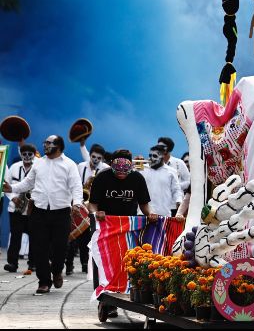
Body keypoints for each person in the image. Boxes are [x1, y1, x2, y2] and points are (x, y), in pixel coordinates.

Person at [2, 135, 84, 294]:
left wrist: (77, 204)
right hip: (38, 212)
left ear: (58, 146)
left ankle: (57, 271)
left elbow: (76, 187)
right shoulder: (38, 163)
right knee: (39, 248)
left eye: (48, 143)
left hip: (61, 212)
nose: (45, 145)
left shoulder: (69, 165)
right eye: (44, 142)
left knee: (60, 248)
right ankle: (44, 281)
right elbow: (27, 183)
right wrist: (11, 188)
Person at [88, 148, 156, 322]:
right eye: (117, 171)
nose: (121, 175)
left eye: (125, 171)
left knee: (127, 265)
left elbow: (144, 204)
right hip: (107, 228)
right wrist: (97, 213)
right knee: (107, 265)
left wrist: (151, 214)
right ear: (112, 166)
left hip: (128, 229)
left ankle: (126, 293)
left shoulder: (137, 178)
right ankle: (106, 300)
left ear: (130, 167)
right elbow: (92, 204)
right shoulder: (102, 177)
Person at [66, 143, 108, 275]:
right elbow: (76, 185)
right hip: (80, 204)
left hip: (94, 207)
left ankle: (85, 264)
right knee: (72, 236)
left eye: (98, 158)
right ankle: (69, 265)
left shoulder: (105, 169)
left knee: (86, 238)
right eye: (93, 157)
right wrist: (86, 183)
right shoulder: (81, 166)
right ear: (89, 155)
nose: (95, 160)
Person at [4, 144, 36, 273]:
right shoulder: (14, 167)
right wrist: (13, 198)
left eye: (30, 154)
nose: (27, 156)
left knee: (35, 237)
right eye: (24, 154)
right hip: (15, 208)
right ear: (21, 154)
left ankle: (33, 264)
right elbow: (5, 185)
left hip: (32, 209)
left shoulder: (37, 168)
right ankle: (12, 263)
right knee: (15, 237)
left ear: (34, 155)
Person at [140, 145, 183, 217]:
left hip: (163, 214)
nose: (151, 158)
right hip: (143, 214)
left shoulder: (171, 171)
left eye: (154, 156)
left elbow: (176, 191)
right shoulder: (142, 169)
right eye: (150, 155)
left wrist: (179, 202)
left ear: (162, 156)